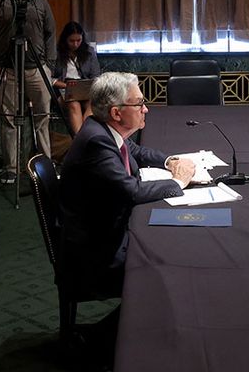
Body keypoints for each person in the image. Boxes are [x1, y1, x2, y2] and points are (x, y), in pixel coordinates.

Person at [57, 72, 195, 294]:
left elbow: (137, 151)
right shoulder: (96, 141)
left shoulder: (103, 128)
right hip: (97, 253)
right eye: (139, 103)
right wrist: (178, 182)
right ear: (116, 113)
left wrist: (171, 161)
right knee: (172, 257)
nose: (146, 109)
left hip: (107, 232)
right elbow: (131, 191)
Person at [0, 0, 56, 182]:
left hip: (37, 68)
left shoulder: (40, 0)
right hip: (7, 69)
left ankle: (45, 164)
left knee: (42, 117)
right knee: (8, 119)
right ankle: (11, 168)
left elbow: (50, 31)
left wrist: (49, 65)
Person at [51, 21, 102, 134]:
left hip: (83, 86)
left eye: (78, 40)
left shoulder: (89, 52)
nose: (75, 44)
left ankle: (84, 136)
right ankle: (80, 138)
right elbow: (49, 77)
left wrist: (86, 85)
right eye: (71, 41)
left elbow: (96, 76)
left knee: (91, 104)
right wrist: (66, 85)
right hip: (63, 87)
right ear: (65, 40)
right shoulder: (56, 53)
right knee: (73, 104)